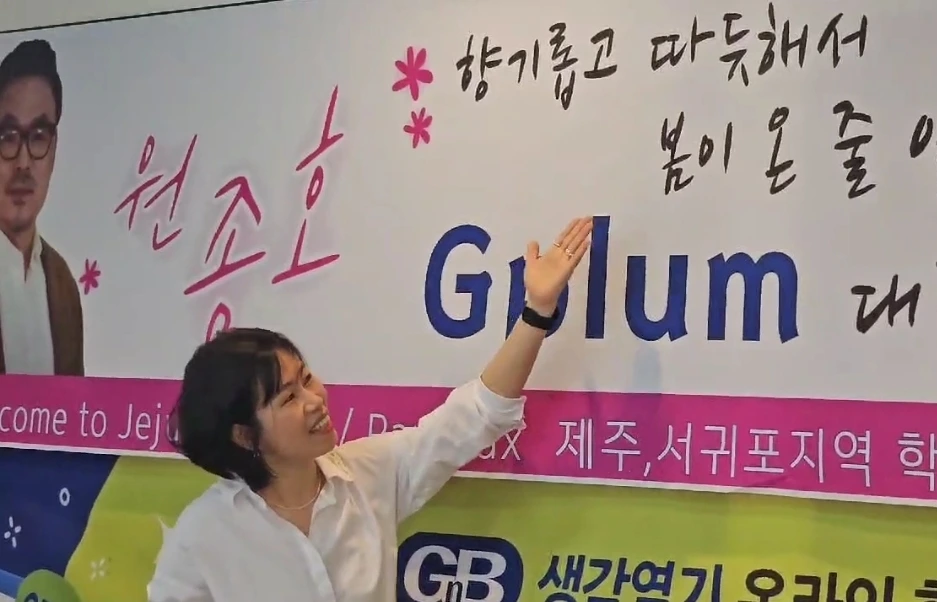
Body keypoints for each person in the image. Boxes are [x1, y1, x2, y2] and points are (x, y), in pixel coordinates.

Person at [147, 216, 593, 602]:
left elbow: (478, 413)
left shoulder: (368, 474)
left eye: (307, 378)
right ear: (245, 434)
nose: (315, 401)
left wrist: (537, 311)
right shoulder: (205, 533)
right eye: (288, 398)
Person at [0, 39, 83, 376]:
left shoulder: (62, 282)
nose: (23, 163)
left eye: (37, 136)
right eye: (7, 136)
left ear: (54, 148)